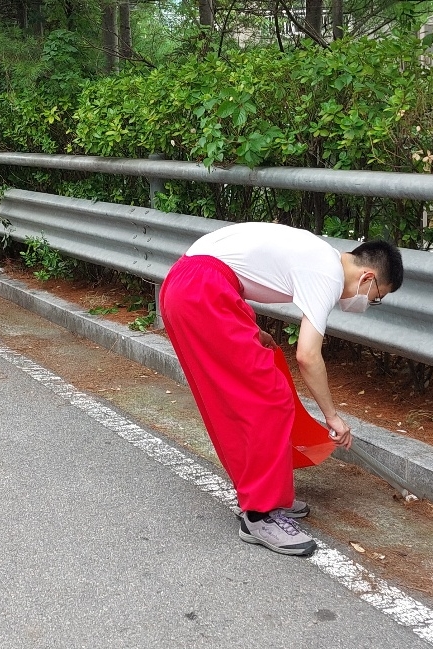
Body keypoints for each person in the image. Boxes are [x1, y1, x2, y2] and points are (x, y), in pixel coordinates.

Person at [159, 222, 403, 557]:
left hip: (195, 283)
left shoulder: (320, 256)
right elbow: (307, 356)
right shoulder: (328, 274)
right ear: (368, 278)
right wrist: (332, 417)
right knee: (269, 400)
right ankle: (259, 515)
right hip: (202, 290)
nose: (368, 302)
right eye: (375, 298)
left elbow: (232, 268)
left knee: (255, 394)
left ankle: (265, 496)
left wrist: (252, 329)